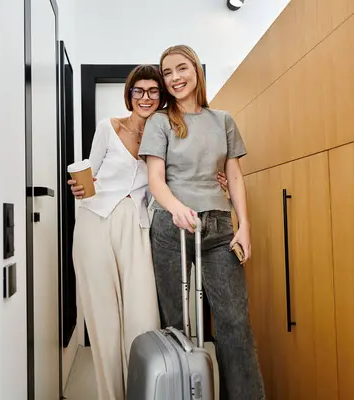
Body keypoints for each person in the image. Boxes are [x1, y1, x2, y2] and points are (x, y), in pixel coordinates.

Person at [68, 64, 229, 400]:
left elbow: (183, 175)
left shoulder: (168, 132)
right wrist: (79, 187)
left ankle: (142, 391)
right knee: (103, 319)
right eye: (138, 91)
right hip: (95, 222)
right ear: (129, 95)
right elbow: (89, 174)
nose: (146, 97)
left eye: (153, 91)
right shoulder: (108, 127)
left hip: (138, 224)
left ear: (162, 96)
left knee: (142, 317)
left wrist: (219, 180)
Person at [138, 45, 266, 399]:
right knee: (176, 323)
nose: (175, 78)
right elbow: (156, 179)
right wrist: (176, 208)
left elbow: (234, 175)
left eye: (182, 69)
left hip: (219, 227)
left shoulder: (222, 120)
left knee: (234, 322)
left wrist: (244, 225)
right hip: (171, 227)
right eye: (168, 73)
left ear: (196, 71)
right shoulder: (160, 122)